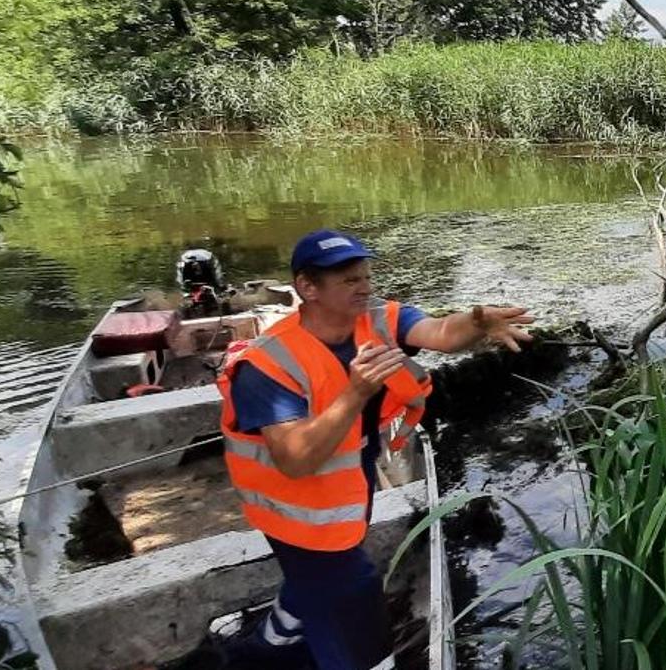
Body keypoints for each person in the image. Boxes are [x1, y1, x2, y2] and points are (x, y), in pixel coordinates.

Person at [216, 229, 532, 669]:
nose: (364, 287)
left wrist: (477, 324)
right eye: (349, 280)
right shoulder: (267, 366)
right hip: (297, 513)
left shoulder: (377, 318)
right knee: (355, 606)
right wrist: (355, 392)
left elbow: (440, 331)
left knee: (311, 588)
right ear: (307, 288)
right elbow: (295, 459)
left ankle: (256, 652)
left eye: (366, 276)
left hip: (348, 488)